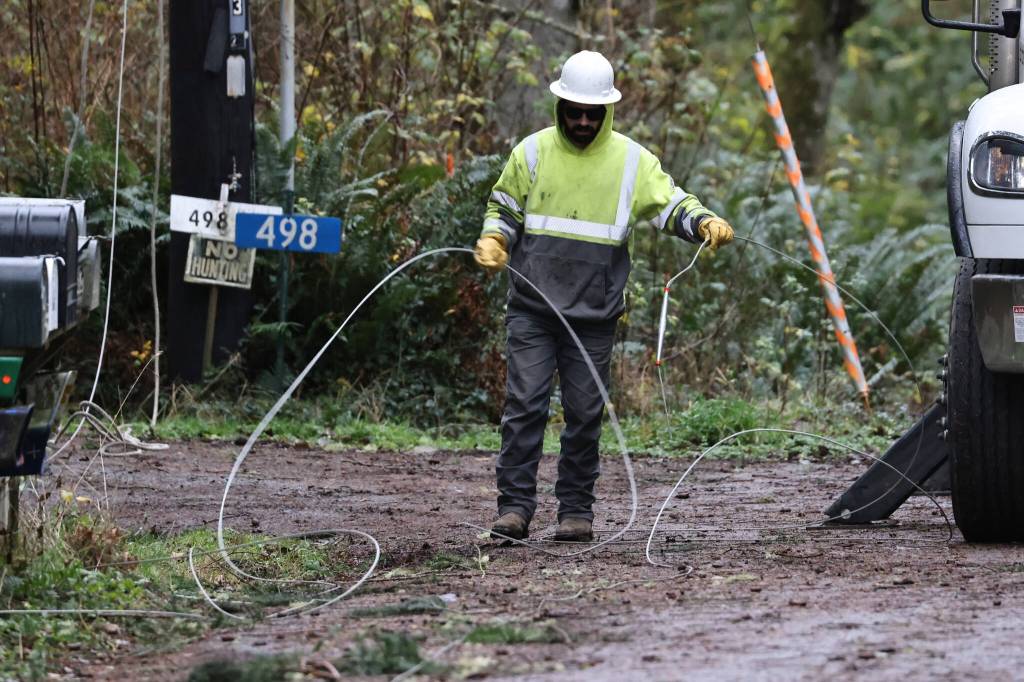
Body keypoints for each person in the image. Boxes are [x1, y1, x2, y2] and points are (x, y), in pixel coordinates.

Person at [474, 50, 734, 542]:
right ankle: (514, 509)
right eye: (574, 112)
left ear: (607, 111)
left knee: (584, 413)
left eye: (592, 114)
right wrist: (495, 238)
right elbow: (503, 208)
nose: (582, 122)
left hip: (594, 315)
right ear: (560, 106)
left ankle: (575, 512)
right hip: (533, 309)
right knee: (525, 405)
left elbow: (670, 203)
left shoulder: (632, 161)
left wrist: (702, 221)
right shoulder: (531, 153)